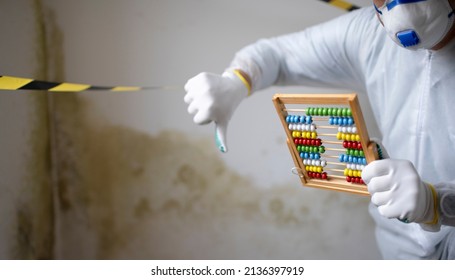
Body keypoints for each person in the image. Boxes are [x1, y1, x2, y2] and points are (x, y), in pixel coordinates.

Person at [184, 0, 455, 259]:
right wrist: (236, 81)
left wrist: (437, 203)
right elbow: (276, 55)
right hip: (398, 251)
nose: (400, 6)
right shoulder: (368, 34)